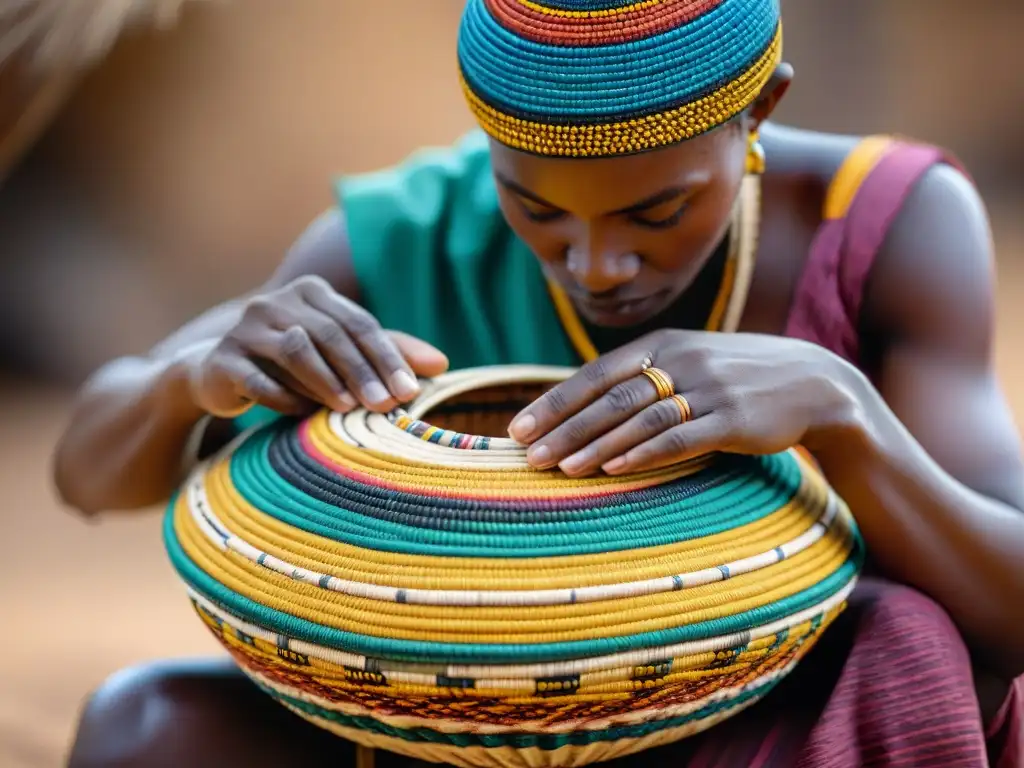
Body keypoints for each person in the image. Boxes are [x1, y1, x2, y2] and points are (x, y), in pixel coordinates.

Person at [55, 0, 1024, 765]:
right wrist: (187, 379)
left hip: (754, 730)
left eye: (657, 212)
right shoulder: (410, 240)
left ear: (759, 108)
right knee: (140, 730)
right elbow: (85, 477)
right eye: (534, 206)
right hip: (459, 728)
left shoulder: (886, 226)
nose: (596, 264)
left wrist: (839, 412)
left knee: (909, 643)